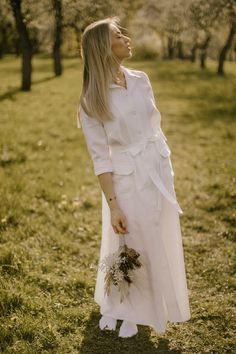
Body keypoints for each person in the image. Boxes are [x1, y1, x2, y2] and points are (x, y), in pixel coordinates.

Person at [77, 17, 191, 338]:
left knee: (158, 233)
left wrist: (161, 162)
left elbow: (154, 127)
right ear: (103, 47)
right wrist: (113, 206)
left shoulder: (141, 79)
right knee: (131, 239)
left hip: (157, 167)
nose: (126, 38)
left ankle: (157, 303)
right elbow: (101, 158)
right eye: (117, 35)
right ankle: (128, 306)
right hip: (125, 178)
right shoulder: (91, 100)